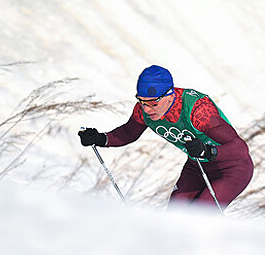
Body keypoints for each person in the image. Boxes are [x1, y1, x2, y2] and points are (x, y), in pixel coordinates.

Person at [78, 65, 253, 211]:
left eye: (153, 103)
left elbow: (240, 150)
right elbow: (128, 133)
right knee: (175, 215)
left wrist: (208, 151)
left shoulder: (197, 110)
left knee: (200, 214)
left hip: (231, 170)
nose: (147, 109)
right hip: (197, 166)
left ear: (169, 95)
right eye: (142, 101)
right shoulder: (144, 110)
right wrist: (100, 138)